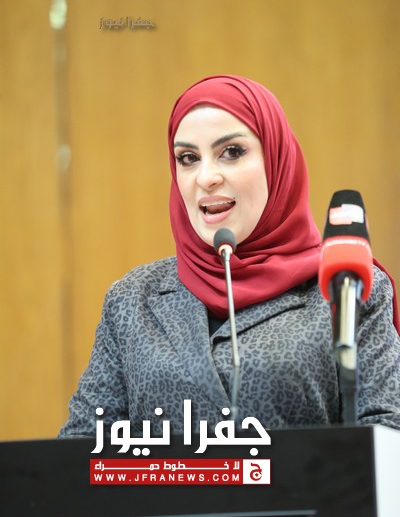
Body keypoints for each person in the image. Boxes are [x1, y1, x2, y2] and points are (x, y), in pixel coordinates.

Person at [59, 75, 400, 438]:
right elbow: (79, 447)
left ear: (276, 161)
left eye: (232, 152)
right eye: (188, 158)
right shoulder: (131, 299)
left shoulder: (345, 286)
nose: (206, 177)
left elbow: (389, 433)